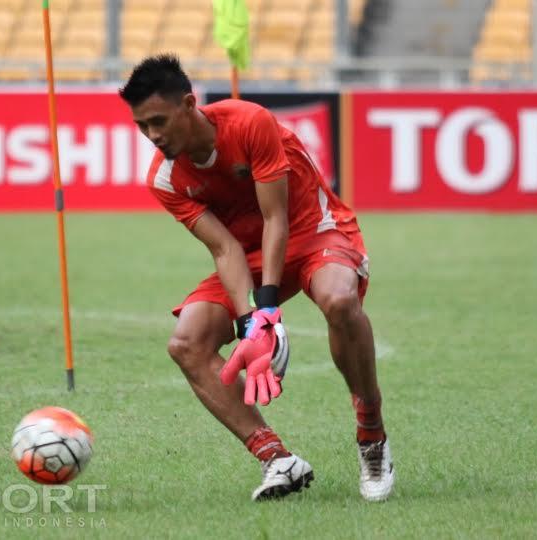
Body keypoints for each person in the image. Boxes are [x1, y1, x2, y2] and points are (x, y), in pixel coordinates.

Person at [118, 55, 394, 502]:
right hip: (247, 253)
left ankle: (371, 431)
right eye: (142, 126)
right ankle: (277, 459)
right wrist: (251, 321)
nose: (153, 136)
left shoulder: (250, 122)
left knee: (339, 300)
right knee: (186, 343)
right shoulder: (165, 179)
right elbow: (225, 249)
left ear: (189, 104)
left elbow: (276, 217)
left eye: (159, 121)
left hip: (314, 229)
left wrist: (266, 308)